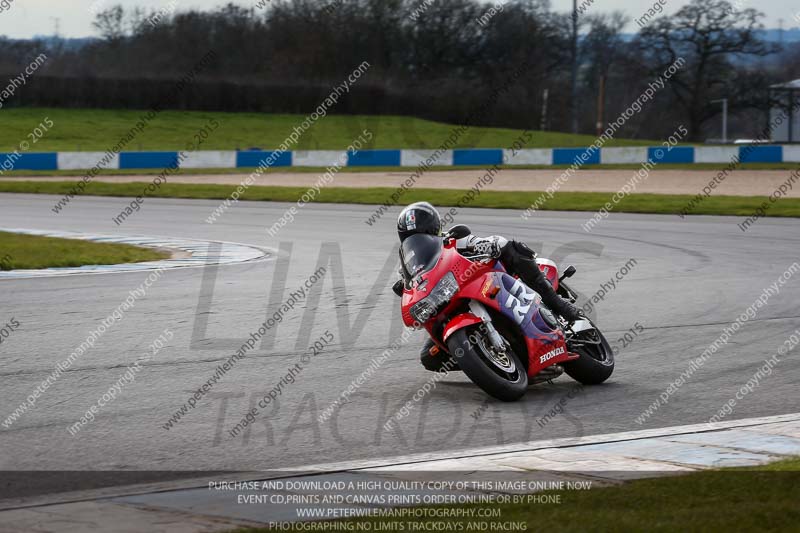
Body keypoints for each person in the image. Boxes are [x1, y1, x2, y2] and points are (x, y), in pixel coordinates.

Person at [395, 201, 584, 371]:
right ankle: (486, 360)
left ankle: (558, 304)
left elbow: (491, 242)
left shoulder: (452, 239)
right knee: (430, 358)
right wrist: (405, 288)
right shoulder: (409, 264)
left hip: (492, 282)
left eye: (423, 235)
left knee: (512, 249)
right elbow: (410, 284)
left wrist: (489, 245)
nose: (420, 243)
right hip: (453, 303)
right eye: (413, 238)